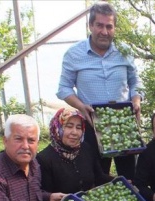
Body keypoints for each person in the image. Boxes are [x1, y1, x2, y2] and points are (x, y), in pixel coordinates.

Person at [56, 1, 144, 180]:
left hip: (122, 124)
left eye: (109, 26)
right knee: (96, 175)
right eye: (99, 26)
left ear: (114, 28)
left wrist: (136, 99)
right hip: (91, 122)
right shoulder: (74, 54)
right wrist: (81, 106)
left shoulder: (124, 51)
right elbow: (64, 87)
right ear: (90, 26)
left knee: (130, 176)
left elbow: (136, 81)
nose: (104, 32)